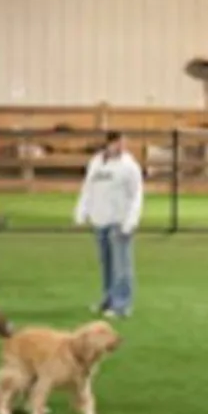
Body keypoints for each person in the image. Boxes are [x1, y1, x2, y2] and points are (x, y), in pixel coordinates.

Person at [74, 131, 143, 319]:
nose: (121, 146)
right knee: (107, 263)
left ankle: (122, 305)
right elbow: (88, 187)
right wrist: (82, 210)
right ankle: (108, 299)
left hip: (119, 221)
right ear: (108, 144)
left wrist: (131, 220)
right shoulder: (96, 162)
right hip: (100, 219)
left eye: (123, 143)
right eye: (117, 143)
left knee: (122, 264)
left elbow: (136, 194)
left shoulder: (129, 166)